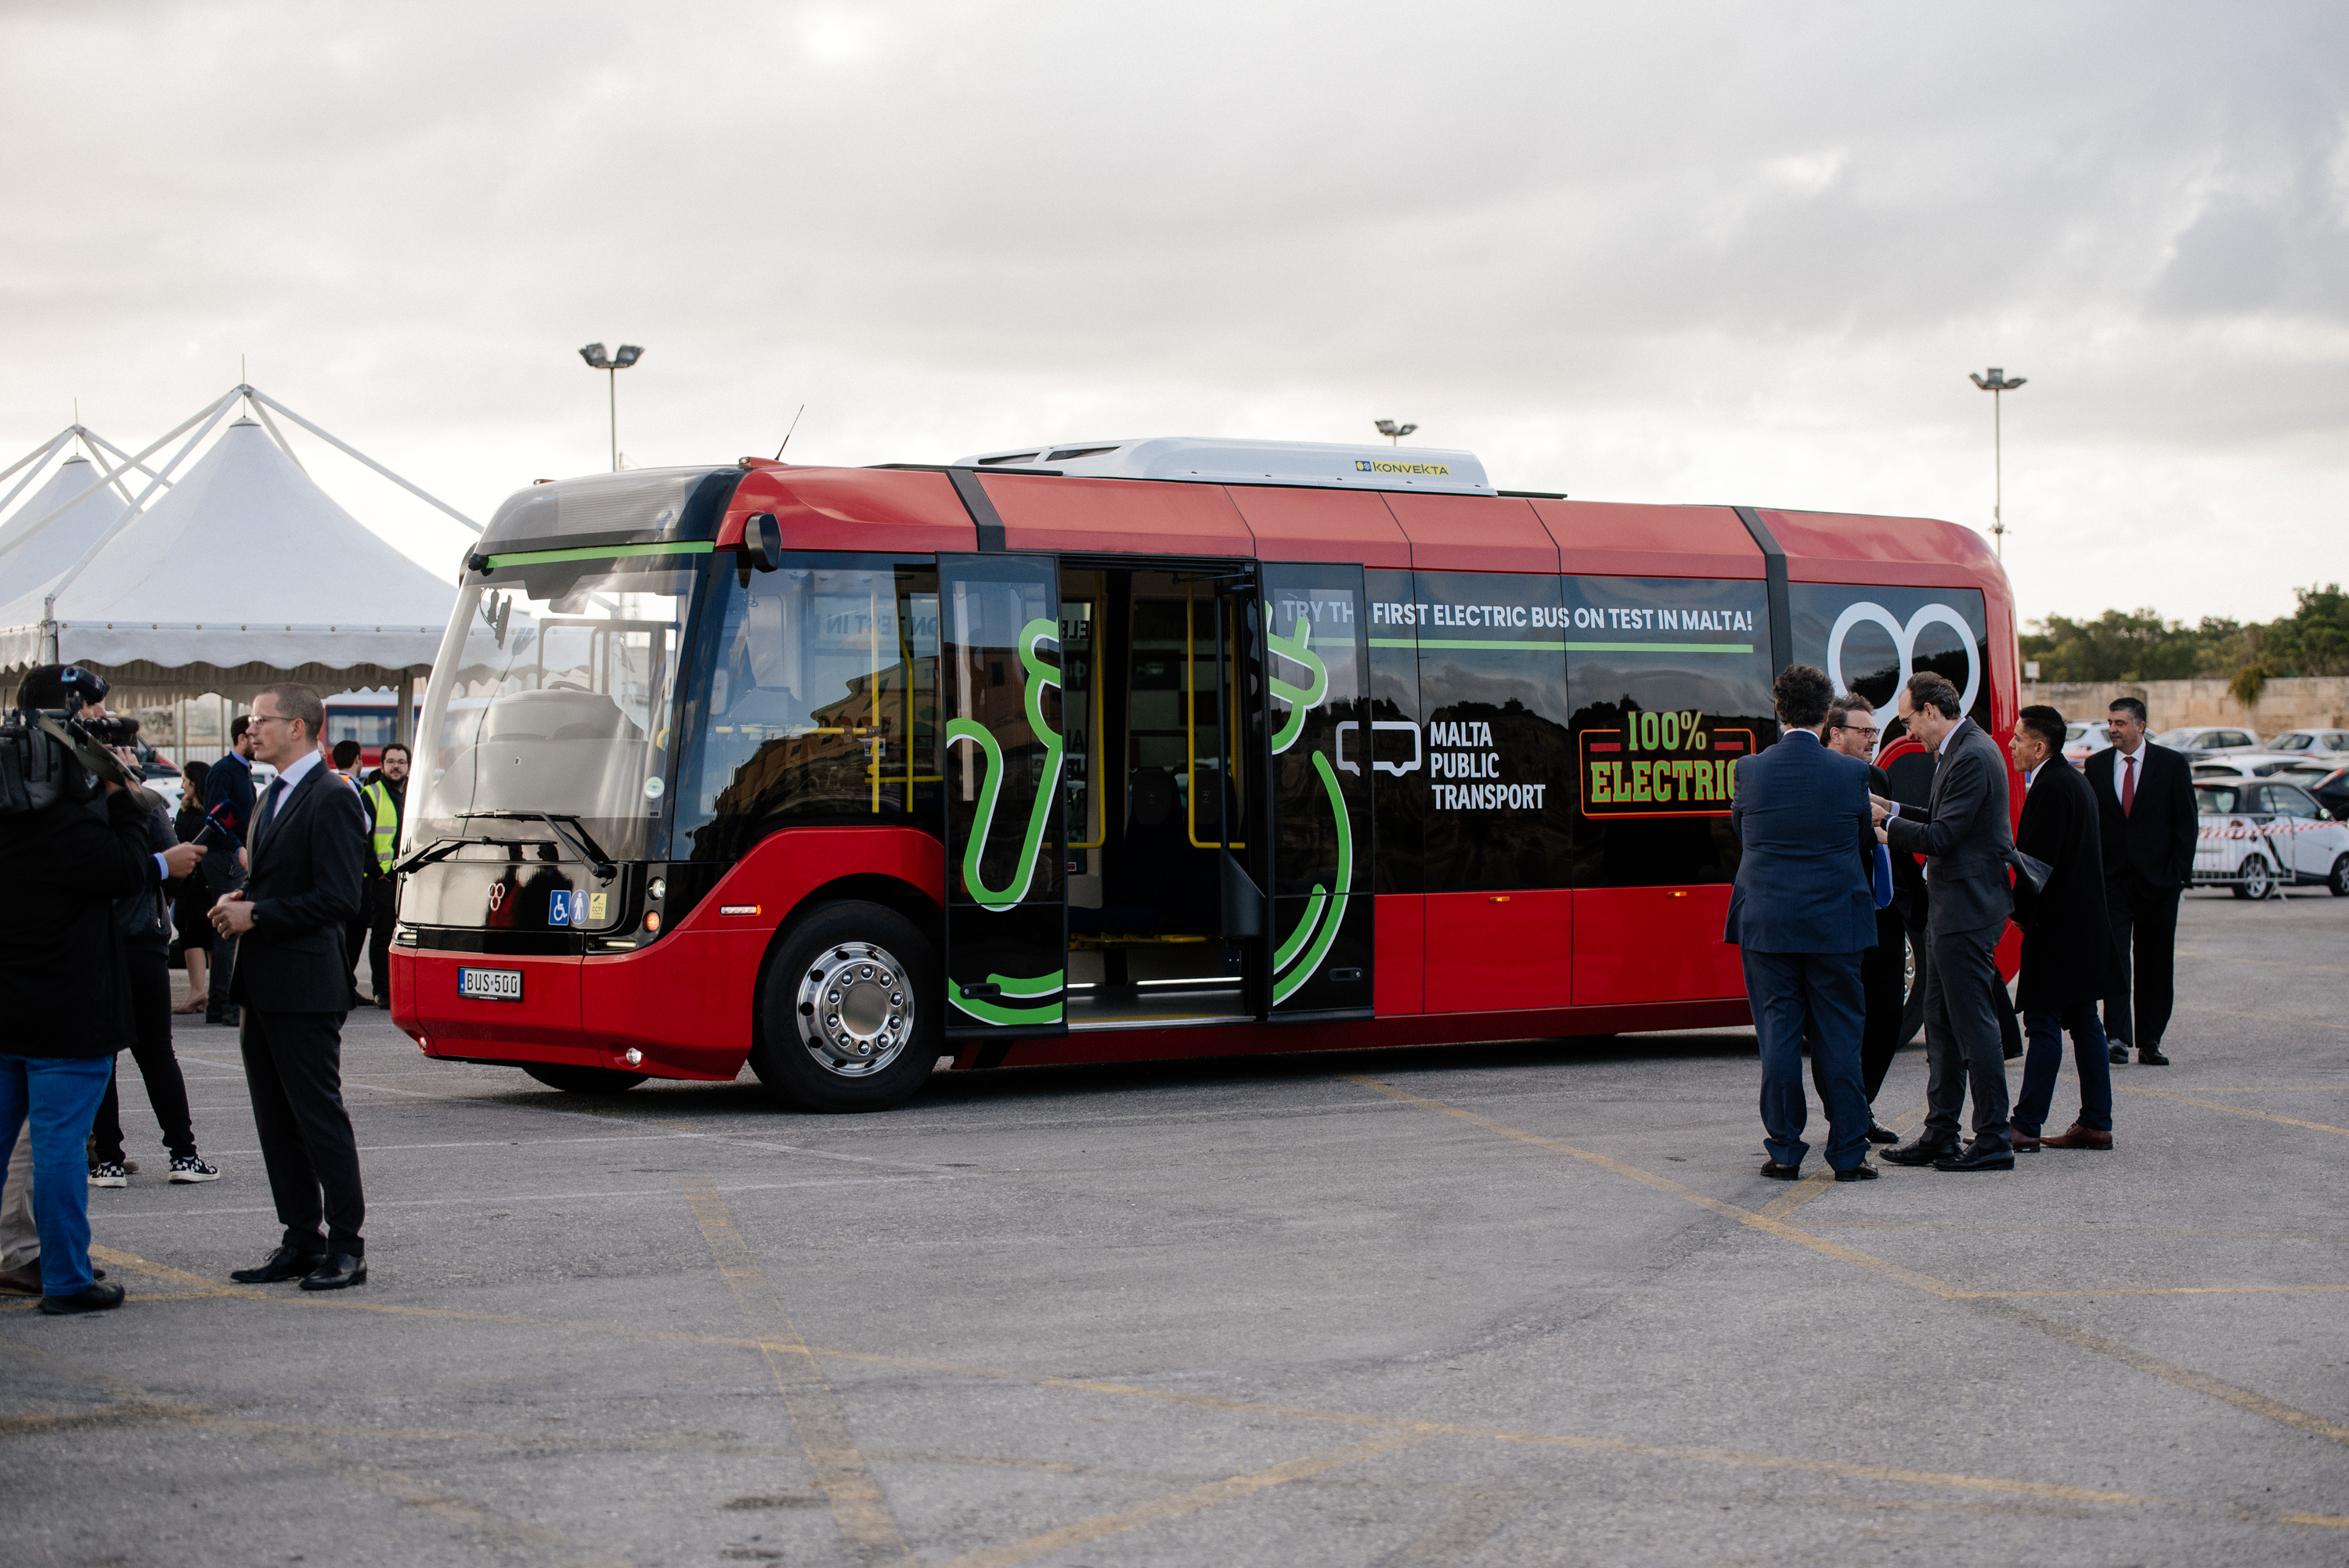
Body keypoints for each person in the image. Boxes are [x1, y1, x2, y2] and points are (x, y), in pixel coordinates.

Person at [0, 664, 205, 1314]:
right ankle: (65, 1277)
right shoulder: (71, 795)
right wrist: (121, 795)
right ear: (70, 718)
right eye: (90, 718)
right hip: (68, 996)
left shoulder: (8, 781)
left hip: (6, 993)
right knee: (61, 1143)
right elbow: (112, 869)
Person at [211, 683, 370, 1291]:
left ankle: (348, 1246)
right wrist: (242, 900)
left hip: (306, 983)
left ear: (299, 727)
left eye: (261, 719)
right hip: (265, 981)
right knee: (275, 1119)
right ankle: (301, 1237)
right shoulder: (269, 794)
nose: (251, 729)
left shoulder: (330, 794)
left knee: (317, 1116)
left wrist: (261, 916)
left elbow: (339, 898)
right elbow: (282, 881)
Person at [1723, 665, 1880, 1183]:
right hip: (1836, 922)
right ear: (1827, 714)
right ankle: (1849, 1154)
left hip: (1768, 920)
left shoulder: (1750, 770)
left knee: (1779, 1036)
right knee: (1840, 1036)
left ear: (1778, 709)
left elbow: (1743, 834)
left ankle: (1785, 1149)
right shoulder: (1851, 774)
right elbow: (1862, 842)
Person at [1875, 671, 2016, 1172]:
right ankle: (1941, 1133)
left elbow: (1944, 835)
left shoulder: (1972, 755)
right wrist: (1890, 808)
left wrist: (1886, 829)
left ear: (1931, 711)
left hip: (1966, 909)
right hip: (1952, 907)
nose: (1907, 734)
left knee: (1974, 1026)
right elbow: (1939, 816)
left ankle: (1994, 1137)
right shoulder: (1962, 749)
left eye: (1908, 721)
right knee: (1940, 1022)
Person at [86, 722, 219, 1188]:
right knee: (154, 1052)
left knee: (106, 1053)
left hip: (101, 942)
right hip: (138, 937)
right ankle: (181, 1155)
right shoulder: (143, 803)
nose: (127, 753)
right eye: (120, 746)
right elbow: (174, 868)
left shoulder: (77, 802)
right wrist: (158, 876)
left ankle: (109, 1160)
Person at [2005, 705, 2118, 1152]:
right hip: (2083, 928)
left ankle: (2025, 1125)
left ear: (2039, 745)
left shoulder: (2051, 787)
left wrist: (2013, 913)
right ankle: (2095, 1122)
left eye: (2018, 739)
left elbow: (2036, 869)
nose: (2011, 745)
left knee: (2044, 1024)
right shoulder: (2074, 780)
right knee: (2085, 1022)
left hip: (2056, 931)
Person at [2082, 697, 2197, 1066]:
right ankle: (2115, 1037)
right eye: (2110, 722)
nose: (2112, 729)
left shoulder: (2171, 765)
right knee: (2113, 958)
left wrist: (2178, 874)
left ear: (2140, 726)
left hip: (2159, 884)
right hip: (2112, 882)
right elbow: (2092, 823)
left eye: (2120, 723)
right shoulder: (2097, 766)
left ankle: (2151, 1039)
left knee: (2155, 963)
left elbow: (2187, 823)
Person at [1824, 692, 1912, 1143]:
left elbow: (1888, 842)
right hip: (1839, 917)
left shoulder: (1879, 777)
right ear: (1835, 733)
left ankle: (1861, 1105)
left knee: (1886, 1018)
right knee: (1840, 1023)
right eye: (1864, 732)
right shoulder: (1821, 778)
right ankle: (1845, 1113)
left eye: (1875, 731)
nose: (1873, 740)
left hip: (1884, 914)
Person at [200, 714, 259, 1027]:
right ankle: (221, 1005)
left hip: (232, 857)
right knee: (227, 932)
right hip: (225, 859)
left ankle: (221, 1004)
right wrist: (238, 848)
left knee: (229, 934)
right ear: (240, 738)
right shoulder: (225, 770)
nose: (258, 739)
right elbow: (215, 817)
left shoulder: (241, 770)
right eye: (253, 735)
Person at [359, 743, 409, 1007]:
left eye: (401, 762)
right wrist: (377, 872)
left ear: (408, 767)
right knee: (382, 935)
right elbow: (362, 836)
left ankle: (401, 989)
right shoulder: (371, 794)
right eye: (391, 762)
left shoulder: (414, 793)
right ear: (382, 766)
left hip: (410, 877)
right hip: (384, 879)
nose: (396, 766)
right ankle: (383, 990)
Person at [330, 739, 372, 1007]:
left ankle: (343, 984)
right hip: (348, 869)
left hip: (343, 867)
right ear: (358, 759)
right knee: (353, 928)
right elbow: (364, 823)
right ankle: (343, 985)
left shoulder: (334, 782)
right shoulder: (347, 784)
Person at [171, 761, 214, 1013]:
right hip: (192, 881)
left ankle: (200, 992)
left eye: (185, 779)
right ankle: (204, 993)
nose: (182, 784)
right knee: (198, 936)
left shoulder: (200, 813)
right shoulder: (189, 810)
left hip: (199, 881)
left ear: (195, 782)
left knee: (196, 936)